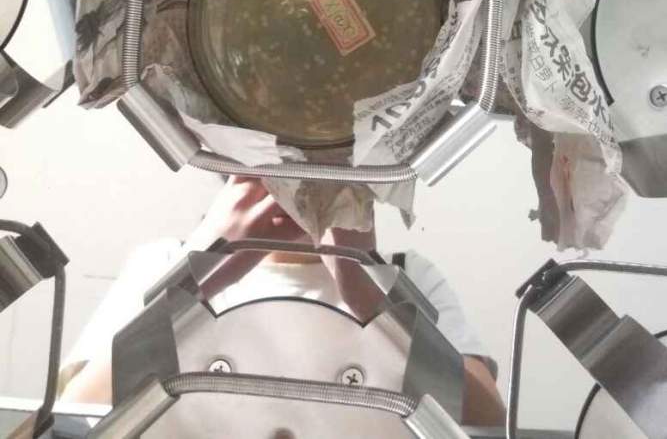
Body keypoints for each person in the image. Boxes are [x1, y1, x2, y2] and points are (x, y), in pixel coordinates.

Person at [60, 177, 504, 426]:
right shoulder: (163, 262)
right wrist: (196, 273)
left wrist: (368, 288)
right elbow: (77, 418)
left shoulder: (408, 275)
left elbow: (489, 423)